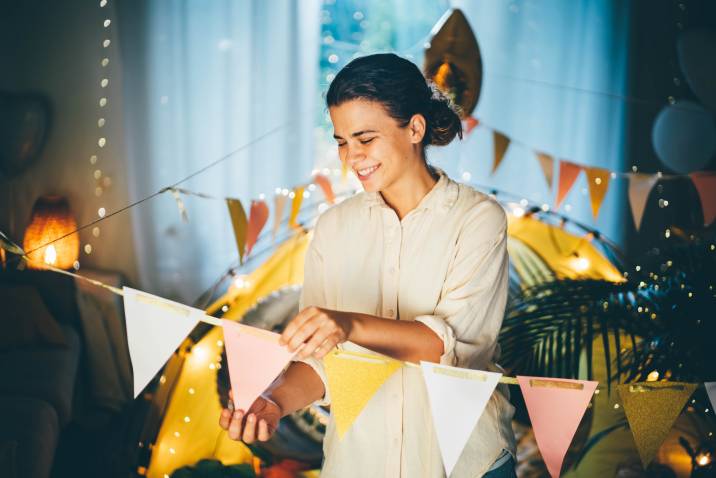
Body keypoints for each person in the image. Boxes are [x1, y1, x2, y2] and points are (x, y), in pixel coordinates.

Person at [219, 53, 516, 477]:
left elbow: (452, 347)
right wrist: (274, 403)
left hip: (466, 464)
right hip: (358, 464)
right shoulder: (334, 228)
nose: (352, 156)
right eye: (342, 141)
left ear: (414, 128)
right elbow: (324, 362)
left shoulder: (478, 218)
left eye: (365, 138)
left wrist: (348, 325)